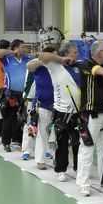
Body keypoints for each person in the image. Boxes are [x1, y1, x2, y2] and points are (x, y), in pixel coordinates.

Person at [76, 40, 103, 196]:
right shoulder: (86, 65)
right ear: (98, 53)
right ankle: (83, 183)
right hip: (91, 114)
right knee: (87, 148)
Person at [39, 42, 81, 182]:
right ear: (66, 53)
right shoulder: (55, 66)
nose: (77, 55)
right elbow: (42, 55)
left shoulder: (79, 66)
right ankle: (61, 170)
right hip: (62, 111)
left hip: (78, 111)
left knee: (78, 142)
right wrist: (61, 59)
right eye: (74, 52)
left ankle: (78, 168)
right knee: (61, 142)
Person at [0, 40, 31, 152]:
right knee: (9, 119)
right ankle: (6, 142)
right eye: (22, 47)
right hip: (11, 94)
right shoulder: (7, 58)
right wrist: (12, 52)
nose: (24, 49)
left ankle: (18, 140)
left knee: (22, 119)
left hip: (24, 94)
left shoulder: (26, 59)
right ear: (16, 48)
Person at [25, 46, 56, 169]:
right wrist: (44, 59)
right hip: (42, 103)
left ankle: (57, 157)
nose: (54, 57)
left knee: (57, 133)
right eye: (52, 55)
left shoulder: (58, 65)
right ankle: (40, 160)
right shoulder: (38, 64)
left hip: (59, 103)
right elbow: (29, 66)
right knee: (42, 133)